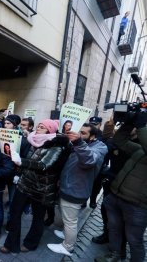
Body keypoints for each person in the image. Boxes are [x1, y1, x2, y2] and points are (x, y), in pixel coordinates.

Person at [0, 119, 70, 254]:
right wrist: (19, 172)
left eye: (42, 127)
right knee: (15, 213)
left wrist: (21, 162)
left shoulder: (56, 146)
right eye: (38, 126)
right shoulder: (34, 140)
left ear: (49, 131)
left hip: (41, 189)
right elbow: (28, 159)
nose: (38, 129)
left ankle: (31, 243)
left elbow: (43, 165)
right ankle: (10, 244)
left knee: (38, 218)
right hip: (25, 183)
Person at [47, 123, 108, 256]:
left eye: (84, 133)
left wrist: (79, 142)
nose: (80, 135)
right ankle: (66, 235)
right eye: (80, 132)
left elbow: (89, 160)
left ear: (92, 137)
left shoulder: (99, 147)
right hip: (69, 186)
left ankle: (68, 247)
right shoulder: (82, 145)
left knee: (70, 221)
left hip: (75, 190)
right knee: (68, 218)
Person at [95, 112, 147, 262]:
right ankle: (116, 254)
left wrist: (141, 125)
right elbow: (119, 140)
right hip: (117, 197)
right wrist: (129, 123)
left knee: (134, 240)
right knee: (115, 230)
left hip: (138, 205)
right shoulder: (139, 151)